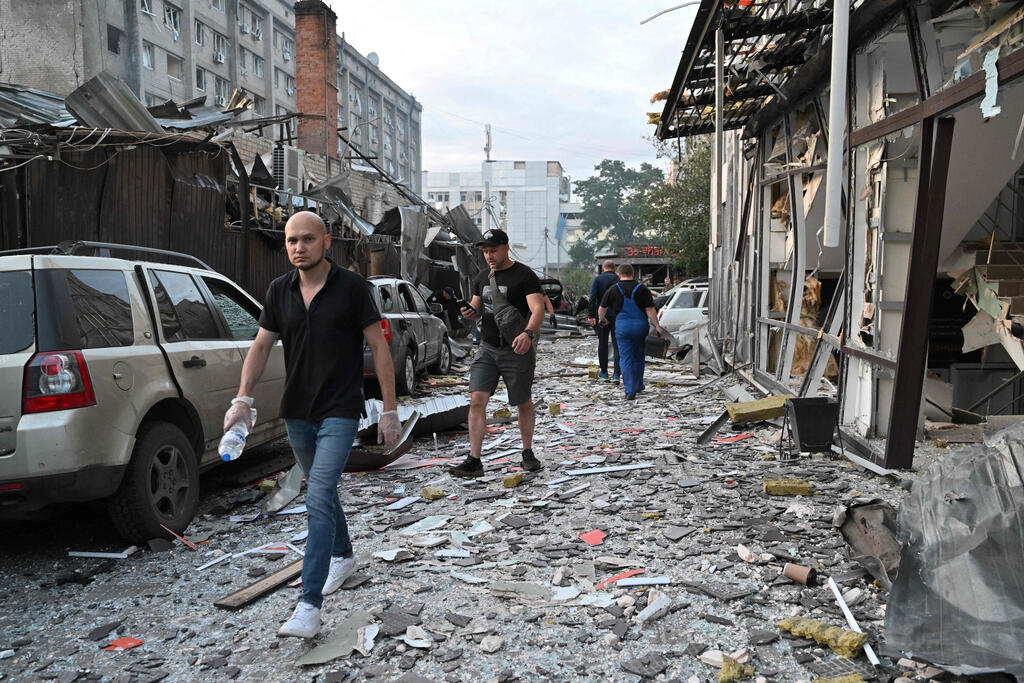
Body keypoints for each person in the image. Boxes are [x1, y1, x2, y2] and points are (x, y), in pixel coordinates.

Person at [222, 211, 401, 639]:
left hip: (340, 408)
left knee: (318, 492)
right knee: (321, 491)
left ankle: (309, 605)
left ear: (326, 243)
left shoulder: (353, 288)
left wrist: (390, 410)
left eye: (306, 239)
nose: (298, 247)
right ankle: (342, 553)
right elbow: (261, 345)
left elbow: (378, 347)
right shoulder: (278, 290)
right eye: (290, 241)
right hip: (297, 410)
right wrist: (242, 399)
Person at [453, 228, 547, 477]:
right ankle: (474, 460)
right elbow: (477, 306)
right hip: (488, 348)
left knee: (522, 402)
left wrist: (528, 334)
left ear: (506, 247)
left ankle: (527, 452)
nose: (489, 256)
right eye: (485, 251)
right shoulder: (482, 276)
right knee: (477, 400)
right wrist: (469, 312)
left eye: (493, 250)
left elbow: (537, 309)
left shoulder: (524, 275)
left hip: (517, 348)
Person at [599, 264, 667, 400]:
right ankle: (638, 384)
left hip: (623, 327)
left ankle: (630, 390)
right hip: (640, 326)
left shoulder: (613, 289)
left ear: (619, 274)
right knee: (639, 355)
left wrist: (603, 319)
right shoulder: (642, 289)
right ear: (633, 273)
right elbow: (650, 310)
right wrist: (657, 326)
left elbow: (602, 308)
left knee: (625, 357)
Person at [588, 260, 620, 381]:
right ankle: (616, 374)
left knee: (603, 344)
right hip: (617, 315)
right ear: (614, 268)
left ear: (603, 269)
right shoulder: (619, 279)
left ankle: (604, 372)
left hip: (602, 316)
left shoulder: (598, 280)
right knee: (617, 345)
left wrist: (591, 315)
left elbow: (592, 298)